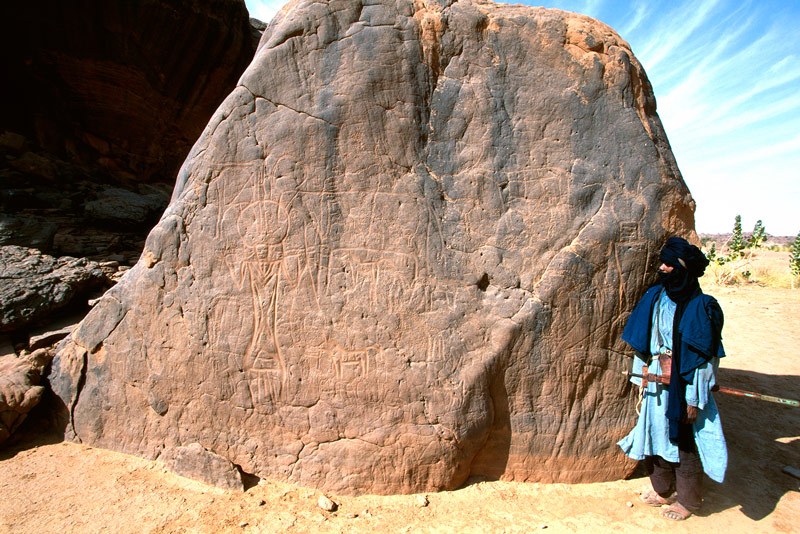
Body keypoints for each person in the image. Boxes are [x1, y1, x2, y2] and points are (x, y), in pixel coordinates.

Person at [618, 236, 727, 521]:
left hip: (685, 386)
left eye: (670, 263)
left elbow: (703, 360)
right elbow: (644, 340)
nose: (663, 268)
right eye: (662, 262)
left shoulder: (702, 307)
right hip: (657, 382)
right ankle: (663, 490)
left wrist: (693, 399)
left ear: (684, 269)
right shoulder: (655, 296)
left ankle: (689, 501)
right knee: (655, 436)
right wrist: (640, 375)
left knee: (685, 443)